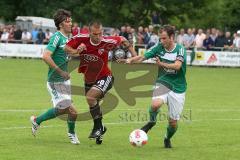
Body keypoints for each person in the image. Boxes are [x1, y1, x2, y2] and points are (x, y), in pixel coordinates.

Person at [64, 20, 137, 144]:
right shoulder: (81, 39)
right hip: (88, 79)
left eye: (100, 33)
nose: (98, 37)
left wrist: (134, 56)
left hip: (105, 77)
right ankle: (101, 128)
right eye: (95, 34)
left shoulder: (107, 41)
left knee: (90, 97)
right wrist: (76, 51)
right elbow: (66, 47)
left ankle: (97, 128)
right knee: (93, 103)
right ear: (89, 32)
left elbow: (124, 39)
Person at [122, 25, 187, 148]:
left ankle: (167, 138)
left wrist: (161, 63)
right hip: (162, 82)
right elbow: (143, 56)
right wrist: (130, 60)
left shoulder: (180, 49)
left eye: (164, 38)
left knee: (173, 123)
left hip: (178, 88)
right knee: (155, 104)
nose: (161, 41)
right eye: (160, 38)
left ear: (172, 37)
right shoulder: (158, 48)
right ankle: (151, 122)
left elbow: (177, 66)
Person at [30, 9, 80, 145]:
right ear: (60, 24)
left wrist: (77, 52)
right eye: (67, 21)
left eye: (71, 20)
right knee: (64, 108)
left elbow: (65, 55)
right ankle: (37, 120)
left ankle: (71, 134)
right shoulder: (56, 37)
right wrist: (60, 71)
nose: (71, 23)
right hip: (55, 81)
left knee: (74, 113)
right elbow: (45, 56)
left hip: (65, 80)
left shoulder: (67, 39)